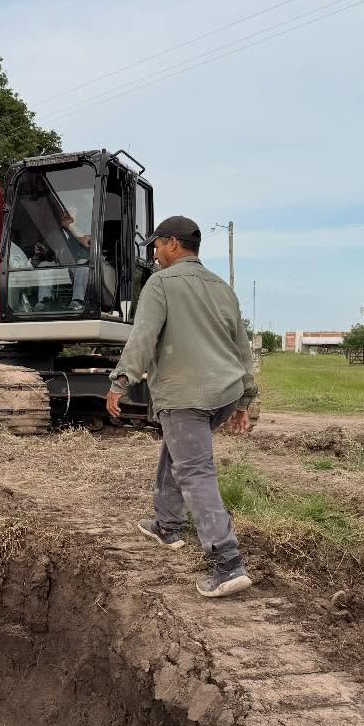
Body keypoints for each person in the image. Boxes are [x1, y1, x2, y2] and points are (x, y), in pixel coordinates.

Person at [106, 216, 258, 599]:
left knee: (195, 470)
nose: (155, 255)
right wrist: (245, 399)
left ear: (173, 243)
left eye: (157, 246)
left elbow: (143, 336)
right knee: (178, 450)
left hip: (185, 394)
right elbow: (242, 347)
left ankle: (227, 563)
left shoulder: (160, 283)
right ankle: (166, 524)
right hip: (223, 393)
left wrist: (120, 381)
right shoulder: (222, 288)